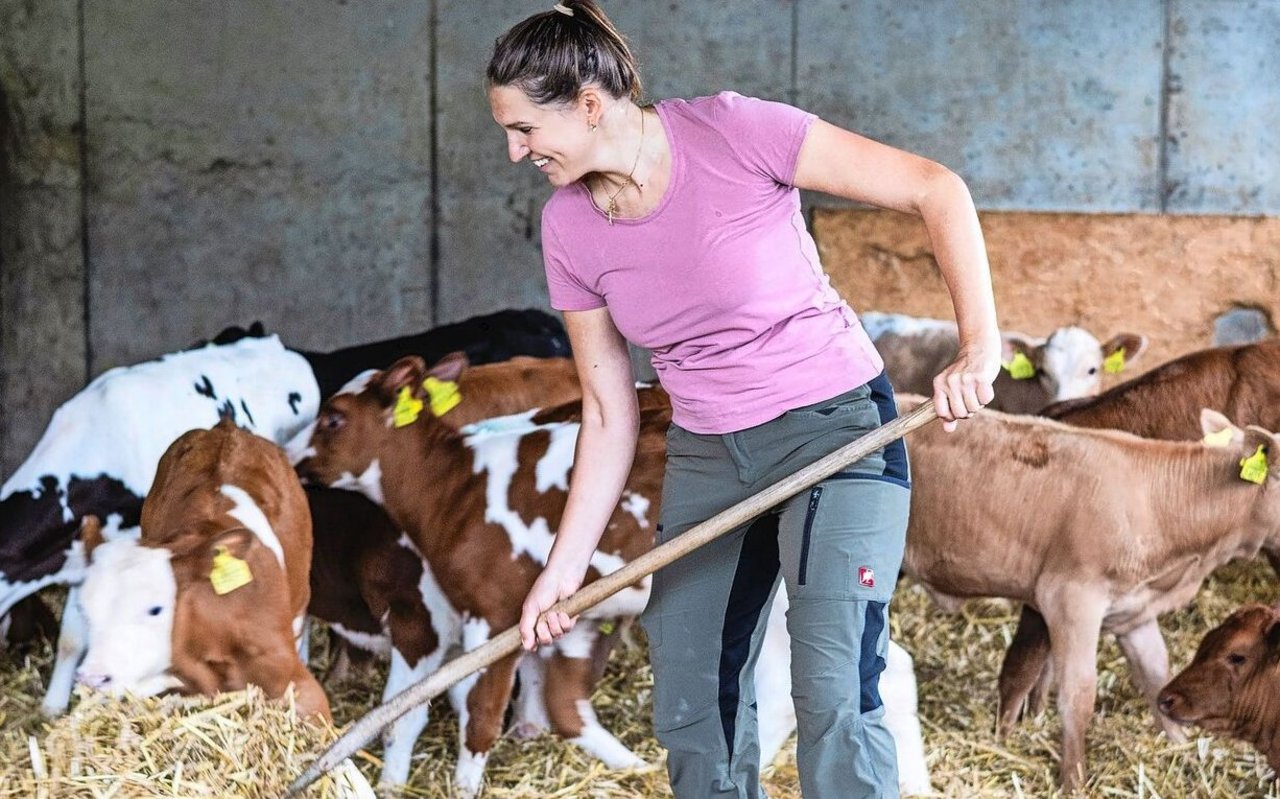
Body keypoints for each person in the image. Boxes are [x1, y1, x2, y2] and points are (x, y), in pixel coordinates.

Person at [487, 2, 999, 797]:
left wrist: (980, 345)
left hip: (837, 431)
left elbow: (936, 190)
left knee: (832, 685)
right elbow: (607, 407)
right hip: (710, 452)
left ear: (588, 106)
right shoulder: (569, 226)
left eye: (524, 129)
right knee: (694, 696)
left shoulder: (735, 131)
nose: (515, 152)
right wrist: (563, 569)